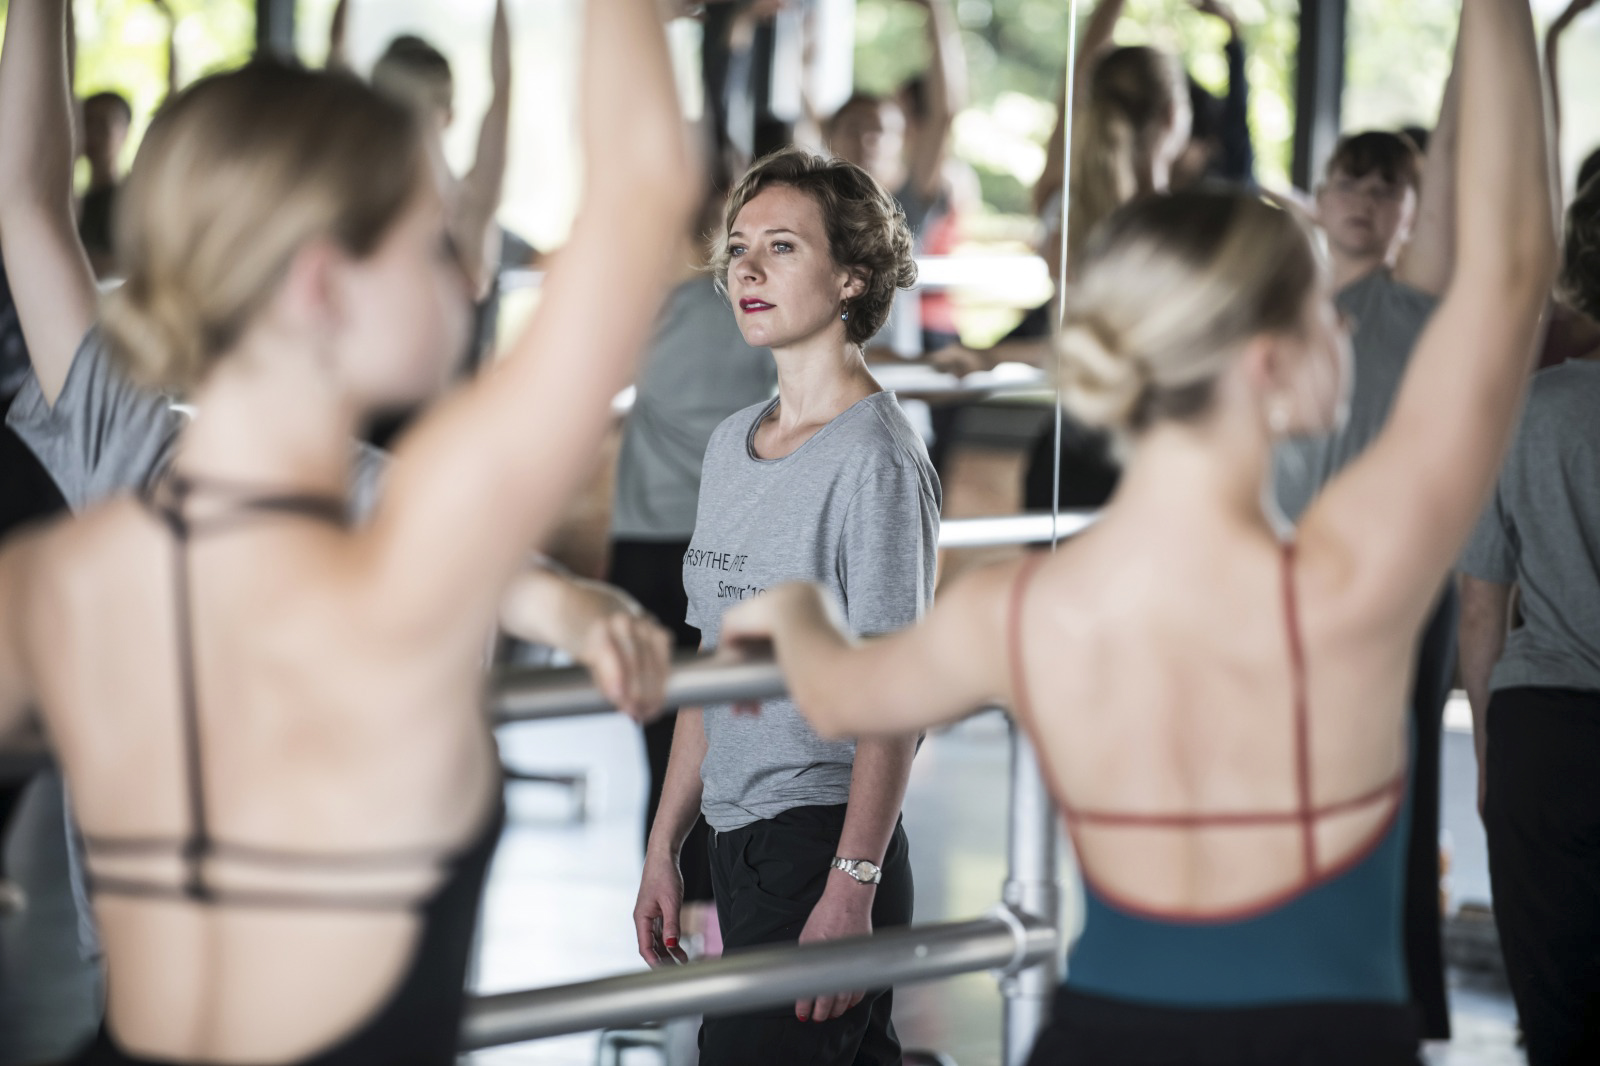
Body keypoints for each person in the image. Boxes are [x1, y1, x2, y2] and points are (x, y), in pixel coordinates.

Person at [719, 0, 1553, 1061]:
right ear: (1268, 360)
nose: (1341, 333)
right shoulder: (1353, 575)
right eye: (1319, 314)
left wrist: (788, 610)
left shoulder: (1016, 606)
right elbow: (1513, 270)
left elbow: (835, 689)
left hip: (1100, 1037)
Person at [0, 0, 694, 1063]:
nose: (467, 278)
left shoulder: (55, 575)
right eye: (432, 242)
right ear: (322, 281)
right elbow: (642, 184)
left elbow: (24, 206)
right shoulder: (411, 559)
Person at [633, 146, 939, 1065]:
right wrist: (665, 848)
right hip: (735, 841)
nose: (748, 270)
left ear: (851, 278)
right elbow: (714, 662)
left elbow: (898, 698)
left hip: (821, 842)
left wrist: (852, 884)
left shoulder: (876, 461)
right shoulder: (732, 444)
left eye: (782, 247)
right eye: (737, 248)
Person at [1278, 36, 1464, 1041]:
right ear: (1317, 193)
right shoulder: (1280, 304)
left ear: (1407, 205)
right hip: (1286, 579)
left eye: (1383, 184)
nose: (1361, 197)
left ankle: (1387, 993)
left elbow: (1463, 166)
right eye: (1346, 179)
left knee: (1391, 781)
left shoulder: (1415, 295)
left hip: (1397, 582)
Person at [609, 178, 778, 936]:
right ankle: (719, 923)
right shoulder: (758, 311)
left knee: (662, 740)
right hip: (732, 541)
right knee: (729, 733)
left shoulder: (650, 304)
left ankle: (671, 897)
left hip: (650, 542)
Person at [1459, 175, 1600, 1066]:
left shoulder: (1529, 413)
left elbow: (1480, 607)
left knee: (1556, 1016)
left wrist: (1484, 755)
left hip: (1544, 732)